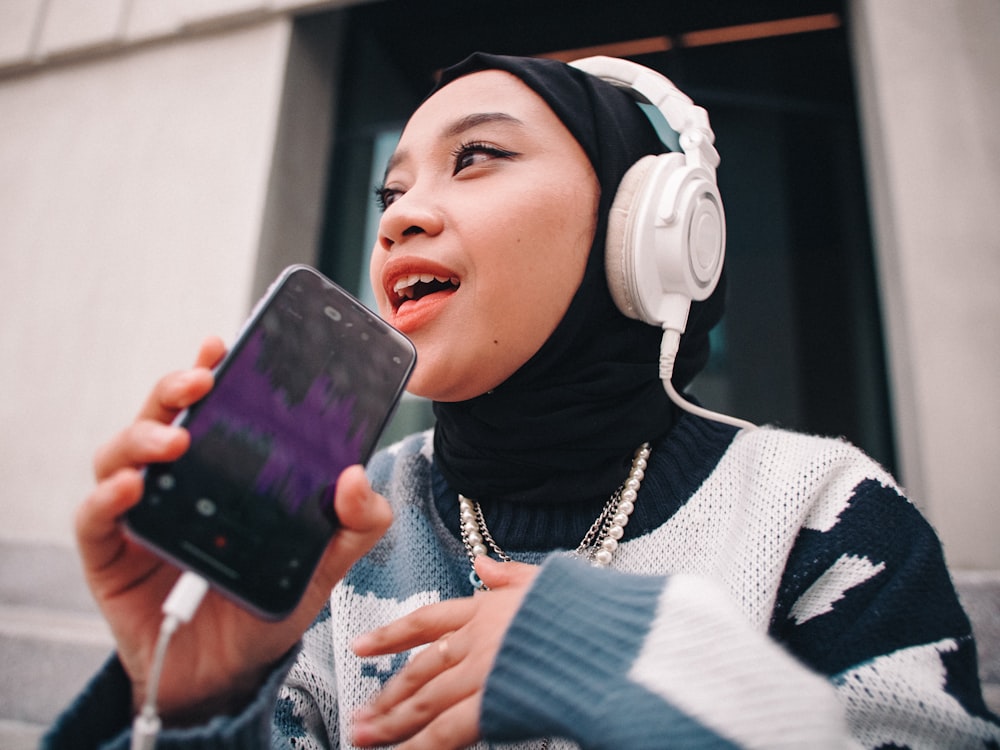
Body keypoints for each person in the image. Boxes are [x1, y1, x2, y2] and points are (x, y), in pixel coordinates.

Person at [45, 52, 999, 750]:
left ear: (643, 232)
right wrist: (206, 709)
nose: (401, 216)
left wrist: (654, 666)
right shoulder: (341, 521)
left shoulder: (817, 506)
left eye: (477, 158)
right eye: (391, 188)